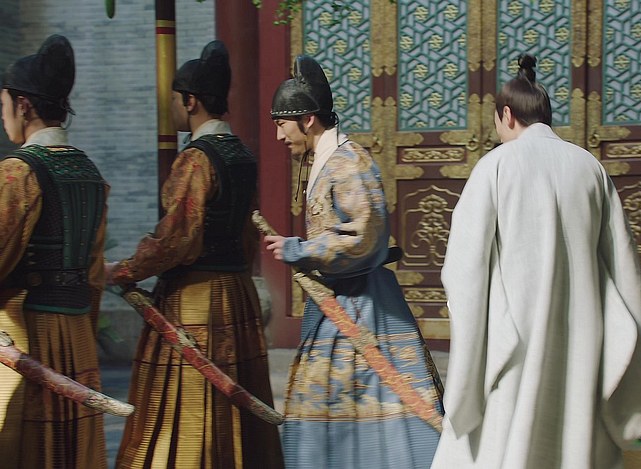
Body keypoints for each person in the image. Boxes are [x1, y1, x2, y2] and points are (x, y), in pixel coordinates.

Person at [431, 54, 641, 469]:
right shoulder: (590, 168)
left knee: (505, 443)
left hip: (514, 338)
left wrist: (474, 339)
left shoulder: (496, 166)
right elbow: (623, 265)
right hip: (583, 332)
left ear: (506, 115)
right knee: (574, 437)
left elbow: (464, 268)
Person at [106, 40, 283, 468]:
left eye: (173, 100)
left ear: (190, 101)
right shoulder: (242, 155)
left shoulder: (197, 160)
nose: (171, 108)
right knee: (233, 401)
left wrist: (123, 270)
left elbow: (175, 239)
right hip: (236, 292)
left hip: (195, 300)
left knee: (187, 407)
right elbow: (246, 232)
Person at [264, 55, 444, 469]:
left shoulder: (348, 163)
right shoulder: (328, 160)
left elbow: (364, 234)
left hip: (362, 309)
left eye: (282, 124)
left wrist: (300, 250)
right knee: (328, 408)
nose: (278, 135)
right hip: (336, 303)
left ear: (307, 120)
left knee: (381, 405)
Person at [0, 35, 109, 468]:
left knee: (23, 446)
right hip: (78, 335)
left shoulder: (19, 171)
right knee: (70, 449)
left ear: (23, 105)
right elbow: (94, 274)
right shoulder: (88, 172)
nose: (2, 116)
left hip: (24, 336)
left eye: (3, 104)